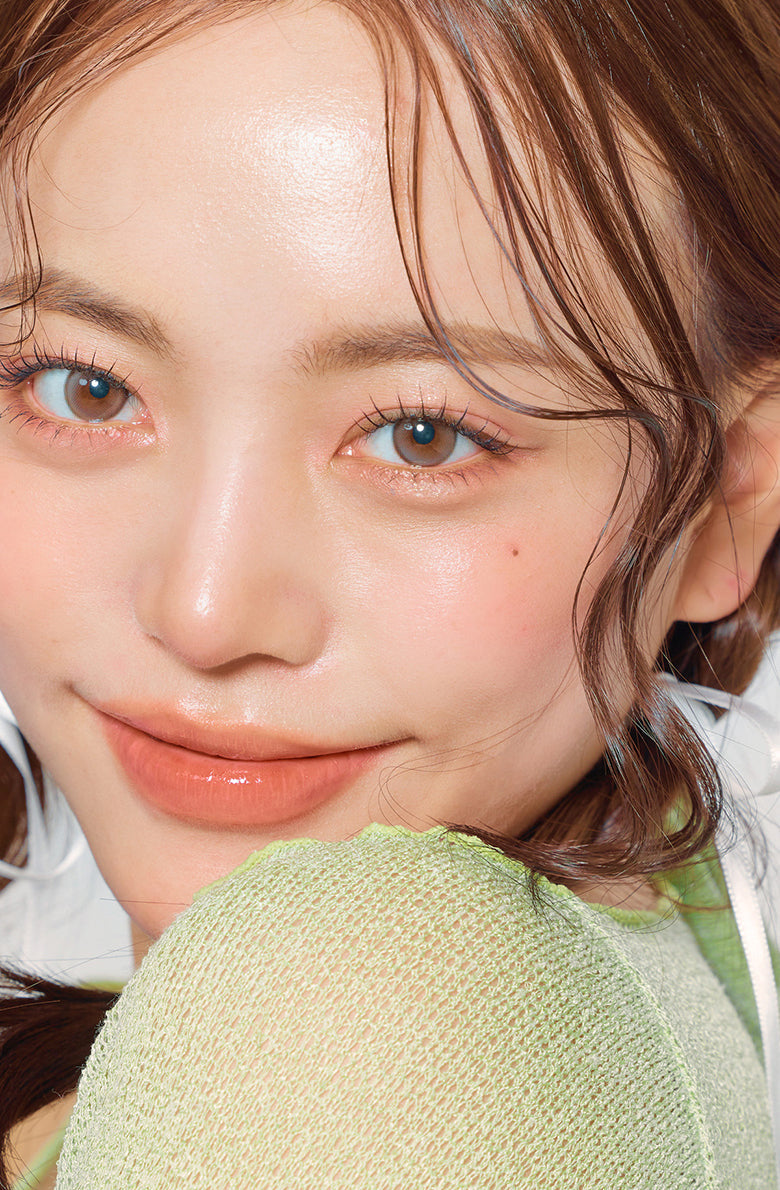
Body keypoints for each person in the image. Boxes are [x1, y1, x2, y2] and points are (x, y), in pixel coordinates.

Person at [0, 0, 779, 1185]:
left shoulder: (371, 1033)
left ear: (731, 494)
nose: (205, 612)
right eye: (83, 387)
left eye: (424, 435)